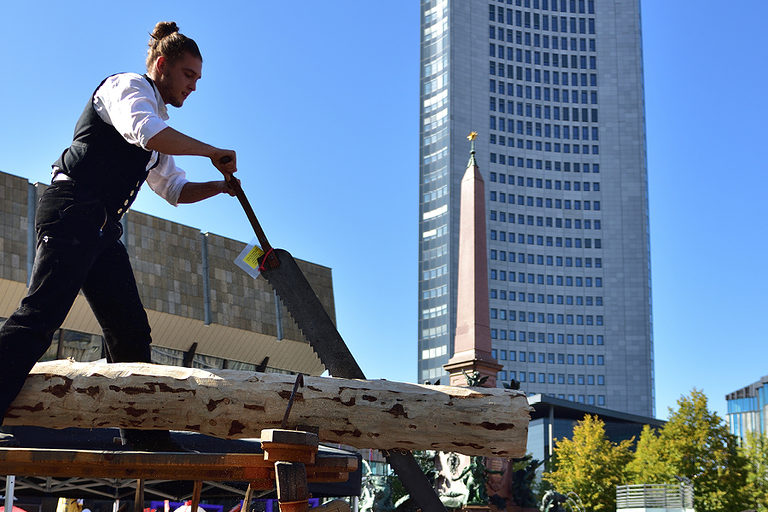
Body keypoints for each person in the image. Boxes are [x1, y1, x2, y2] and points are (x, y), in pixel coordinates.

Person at [0, 21, 237, 450]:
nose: (194, 87)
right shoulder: (128, 87)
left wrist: (219, 186)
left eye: (198, 80)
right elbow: (143, 131)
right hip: (72, 209)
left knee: (130, 333)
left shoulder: (163, 128)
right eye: (189, 75)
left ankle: (145, 440)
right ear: (161, 65)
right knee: (40, 317)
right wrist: (210, 151)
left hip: (102, 227)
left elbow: (174, 190)